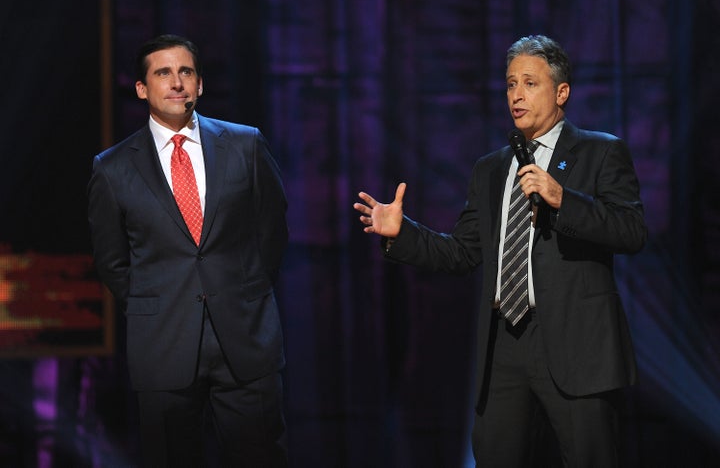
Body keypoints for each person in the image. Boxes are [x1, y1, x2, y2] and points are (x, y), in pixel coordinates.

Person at [353, 35, 646, 467]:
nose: (517, 95)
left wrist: (565, 199)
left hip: (576, 343)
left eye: (530, 83)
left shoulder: (600, 151)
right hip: (504, 344)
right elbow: (463, 254)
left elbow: (631, 230)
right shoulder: (491, 169)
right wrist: (402, 233)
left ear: (561, 92)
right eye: (510, 84)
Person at [88, 34, 289, 467]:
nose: (177, 82)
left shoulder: (245, 144)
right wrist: (154, 305)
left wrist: (245, 291)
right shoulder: (113, 167)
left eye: (186, 72)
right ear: (142, 88)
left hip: (245, 341)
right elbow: (112, 262)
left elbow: (272, 231)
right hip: (163, 347)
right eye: (163, 73)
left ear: (199, 85)